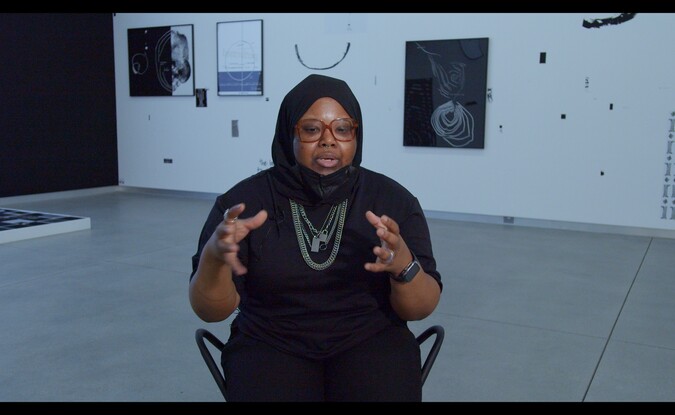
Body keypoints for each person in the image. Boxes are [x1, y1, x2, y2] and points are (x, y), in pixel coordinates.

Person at [189, 74, 442, 402]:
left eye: (342, 128)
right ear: (288, 133)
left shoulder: (393, 202)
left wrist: (403, 266)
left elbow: (422, 308)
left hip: (370, 337)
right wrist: (214, 259)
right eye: (311, 129)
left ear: (356, 135)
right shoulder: (241, 206)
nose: (328, 140)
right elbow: (211, 311)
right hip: (271, 340)